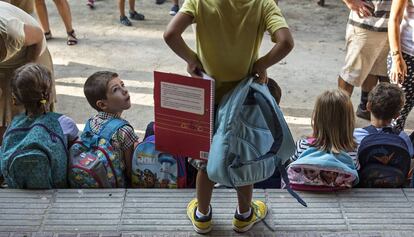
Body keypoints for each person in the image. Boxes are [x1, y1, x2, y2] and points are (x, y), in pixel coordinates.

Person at [164, 0, 294, 234]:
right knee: (243, 155)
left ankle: (203, 216)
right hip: (243, 100)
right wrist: (261, 64)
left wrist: (192, 59)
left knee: (206, 160)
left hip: (208, 97)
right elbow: (285, 42)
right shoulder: (263, 4)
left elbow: (170, 33)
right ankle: (244, 216)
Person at [0, 1, 54, 145]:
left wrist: (27, 70)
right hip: (7, 57)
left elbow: (38, 36)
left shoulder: (10, 31)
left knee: (29, 108)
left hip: (31, 52)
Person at [338, 0, 392, 120]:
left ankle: (365, 108)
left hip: (394, 25)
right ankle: (338, 116)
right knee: (351, 73)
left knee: (377, 70)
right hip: (366, 22)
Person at [83, 71, 139, 182]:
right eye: (115, 89)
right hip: (116, 186)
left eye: (122, 85)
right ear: (102, 104)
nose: (125, 90)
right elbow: (130, 170)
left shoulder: (90, 123)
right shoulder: (124, 131)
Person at [289, 89, 360, 170]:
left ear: (317, 119)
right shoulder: (352, 152)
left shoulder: (302, 146)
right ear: (349, 122)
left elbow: (290, 167)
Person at [11, 63, 78, 146]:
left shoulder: (14, 124)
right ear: (48, 95)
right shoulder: (65, 123)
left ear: (16, 99)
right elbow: (76, 152)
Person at [353, 83, 414, 156]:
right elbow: (409, 155)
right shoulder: (403, 138)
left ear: (368, 106)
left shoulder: (355, 135)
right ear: (397, 115)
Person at [388, 0, 414, 131]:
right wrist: (397, 58)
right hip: (407, 56)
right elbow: (394, 19)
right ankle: (391, 147)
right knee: (397, 112)